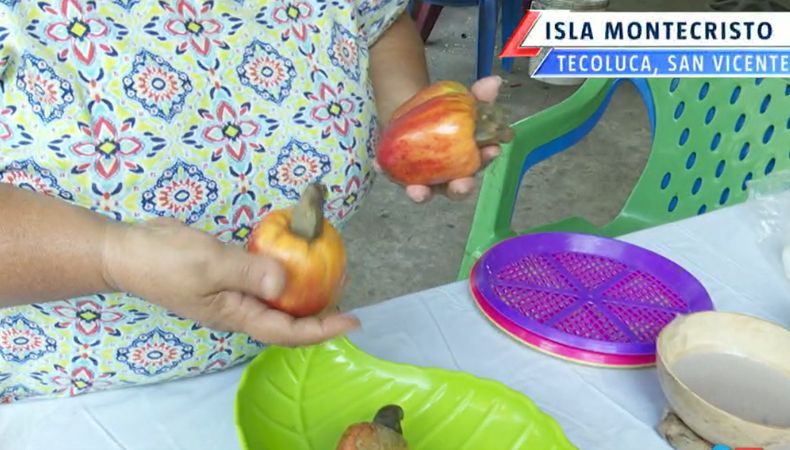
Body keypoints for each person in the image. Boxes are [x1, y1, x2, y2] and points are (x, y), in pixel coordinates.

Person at [0, 0, 502, 403]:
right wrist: (112, 256)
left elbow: (379, 23)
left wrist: (409, 126)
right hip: (68, 398)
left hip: (294, 368)